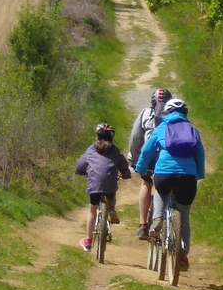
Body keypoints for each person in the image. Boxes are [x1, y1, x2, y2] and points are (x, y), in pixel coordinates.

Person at [134, 98, 205, 272]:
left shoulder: (161, 129)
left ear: (167, 112)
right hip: (187, 177)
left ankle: (157, 218)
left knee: (161, 192)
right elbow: (200, 154)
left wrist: (140, 168)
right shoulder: (193, 130)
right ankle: (183, 253)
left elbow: (147, 151)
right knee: (184, 215)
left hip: (164, 174)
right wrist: (199, 174)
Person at [74, 123, 131, 252]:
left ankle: (88, 240)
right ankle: (111, 208)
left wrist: (82, 172)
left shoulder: (91, 150)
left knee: (92, 211)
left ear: (97, 137)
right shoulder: (115, 151)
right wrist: (125, 175)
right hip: (110, 183)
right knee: (111, 193)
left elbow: (80, 165)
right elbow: (123, 166)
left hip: (94, 184)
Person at [127, 87, 172, 240]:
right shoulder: (175, 116)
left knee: (147, 184)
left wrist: (134, 158)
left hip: (150, 158)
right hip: (170, 158)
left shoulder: (146, 114)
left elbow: (135, 137)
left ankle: (143, 225)